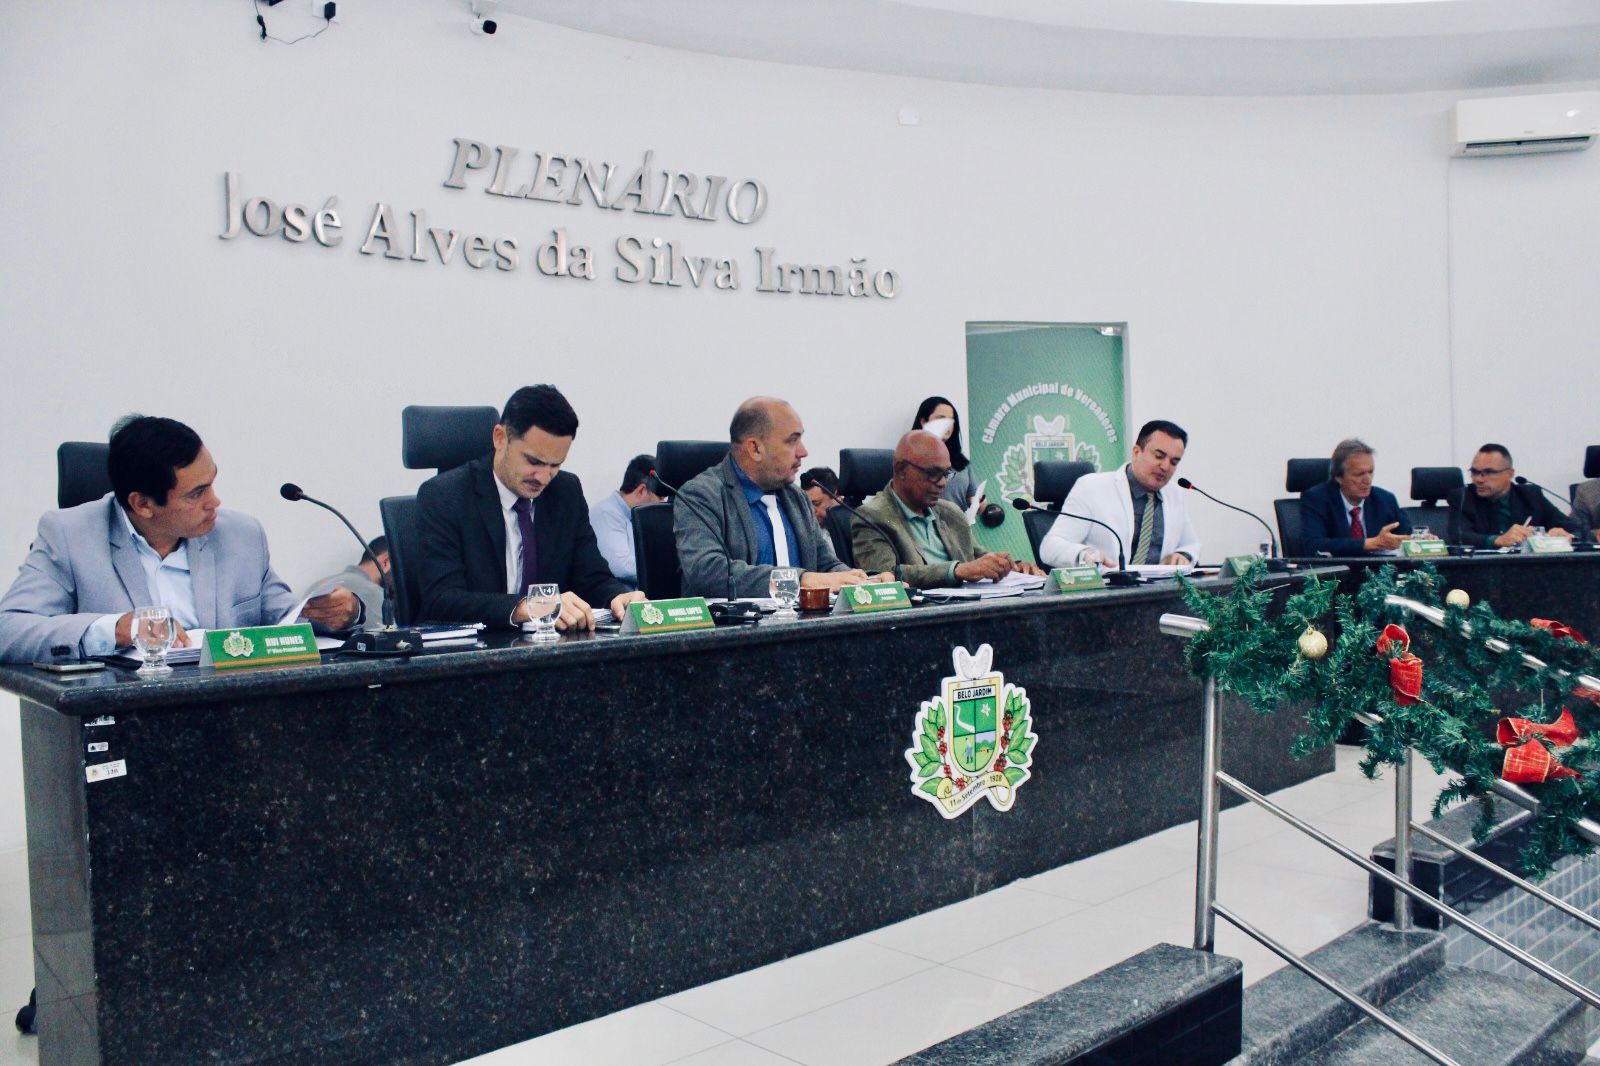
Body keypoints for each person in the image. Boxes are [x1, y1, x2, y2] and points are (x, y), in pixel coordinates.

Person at [0, 415, 360, 664]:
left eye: (212, 482)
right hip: (124, 718)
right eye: (196, 494)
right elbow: (9, 630)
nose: (215, 502)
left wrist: (339, 613)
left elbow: (285, 619)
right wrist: (115, 629)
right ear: (142, 504)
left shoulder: (241, 536)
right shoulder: (69, 536)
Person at [416, 385, 644, 630]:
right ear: (500, 438)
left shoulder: (566, 491)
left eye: (555, 465)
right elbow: (442, 599)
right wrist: (526, 607)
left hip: (549, 646)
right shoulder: (444, 496)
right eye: (534, 461)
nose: (543, 477)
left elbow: (591, 576)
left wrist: (616, 596)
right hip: (476, 647)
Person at [675, 396, 888, 598]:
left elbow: (825, 565)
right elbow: (708, 572)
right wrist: (799, 580)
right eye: (792, 440)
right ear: (755, 449)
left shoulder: (796, 497)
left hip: (806, 620)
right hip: (735, 624)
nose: (803, 451)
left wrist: (864, 582)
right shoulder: (701, 496)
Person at [852, 432, 1045, 588]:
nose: (943, 483)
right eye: (934, 473)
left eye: (946, 474)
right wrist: (956, 571)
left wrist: (1012, 567)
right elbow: (882, 577)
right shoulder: (871, 516)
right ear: (901, 469)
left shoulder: (950, 512)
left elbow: (978, 557)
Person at [1038, 419, 1201, 569]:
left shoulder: (1174, 493)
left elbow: (1191, 544)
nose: (1165, 466)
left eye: (1174, 462)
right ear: (1136, 452)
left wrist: (1183, 555)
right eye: (1159, 456)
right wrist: (1084, 554)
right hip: (1107, 588)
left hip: (1160, 589)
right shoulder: (1091, 487)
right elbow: (1050, 547)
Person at [1450, 443, 1580, 548]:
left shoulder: (1530, 495)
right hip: (1483, 567)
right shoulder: (1463, 497)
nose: (1479, 479)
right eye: (1474, 472)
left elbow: (1578, 530)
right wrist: (1497, 540)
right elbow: (1459, 536)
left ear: (1510, 473)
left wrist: (1568, 536)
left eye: (1488, 472)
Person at [1299, 439, 1412, 556]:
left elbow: (1407, 536)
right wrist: (1370, 543)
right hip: (1337, 567)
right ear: (1338, 477)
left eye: (1370, 472)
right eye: (1359, 474)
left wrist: (1414, 540)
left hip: (1378, 567)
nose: (1367, 480)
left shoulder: (1385, 499)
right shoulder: (1317, 499)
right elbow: (1313, 545)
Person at [589, 454, 663, 590]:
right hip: (616, 600)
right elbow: (621, 566)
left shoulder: (637, 517)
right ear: (641, 490)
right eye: (660, 497)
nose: (662, 503)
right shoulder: (606, 513)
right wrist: (665, 568)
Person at [911, 396, 979, 511]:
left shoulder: (961, 462)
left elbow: (975, 500)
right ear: (923, 422)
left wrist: (979, 503)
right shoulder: (909, 458)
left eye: (951, 420)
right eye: (941, 419)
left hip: (959, 521)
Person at [310, 536, 390, 627]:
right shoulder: (374, 593)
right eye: (401, 567)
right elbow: (390, 635)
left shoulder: (317, 585)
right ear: (386, 561)